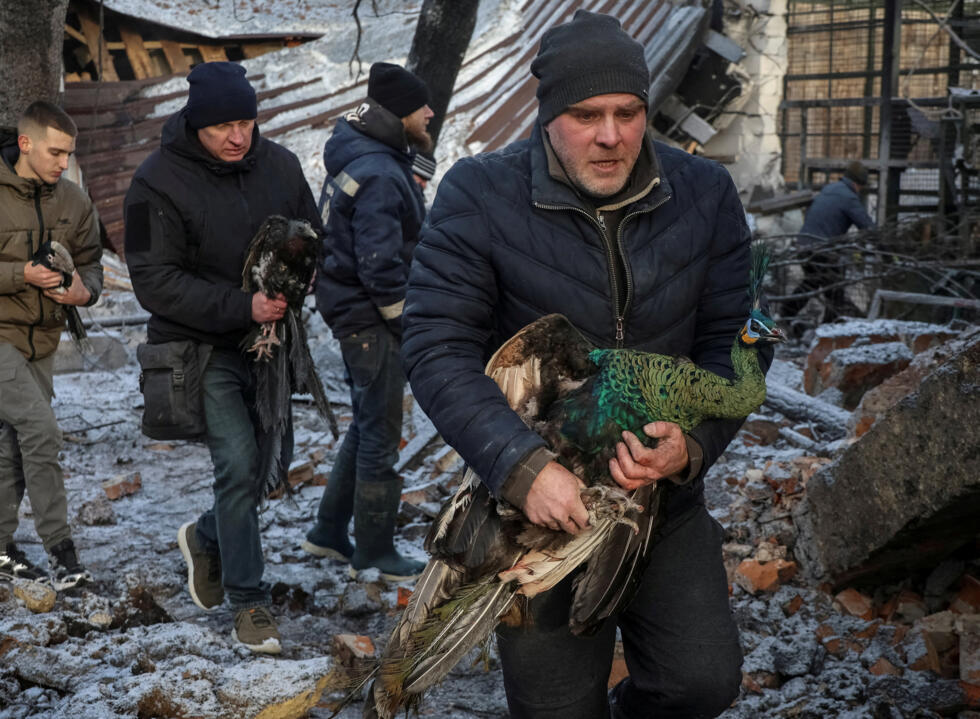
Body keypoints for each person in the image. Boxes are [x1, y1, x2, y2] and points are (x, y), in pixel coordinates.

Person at [401, 11, 773, 718]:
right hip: (540, 510)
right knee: (556, 709)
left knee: (701, 682)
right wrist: (520, 466)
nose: (612, 135)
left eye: (628, 112)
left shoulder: (704, 195)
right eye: (586, 114)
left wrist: (691, 448)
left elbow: (739, 342)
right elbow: (434, 344)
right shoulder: (480, 196)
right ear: (547, 116)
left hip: (659, 495)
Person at [123, 62, 322, 654]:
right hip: (200, 346)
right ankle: (249, 603)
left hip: (271, 350)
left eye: (247, 122)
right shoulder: (155, 182)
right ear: (195, 123)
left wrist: (303, 270)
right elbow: (152, 280)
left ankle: (208, 536)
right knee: (237, 464)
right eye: (223, 126)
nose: (238, 136)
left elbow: (314, 234)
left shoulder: (280, 165)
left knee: (266, 468)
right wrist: (243, 306)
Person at [302, 62, 433, 581]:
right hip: (370, 319)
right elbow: (380, 267)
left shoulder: (363, 154)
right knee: (381, 433)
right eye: (422, 106)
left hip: (350, 311)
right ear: (400, 113)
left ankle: (328, 533)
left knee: (364, 425)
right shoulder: (379, 172)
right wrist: (408, 323)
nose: (430, 113)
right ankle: (375, 549)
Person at [0, 101, 102, 590]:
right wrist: (21, 273)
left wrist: (86, 291)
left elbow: (93, 263)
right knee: (41, 430)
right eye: (56, 152)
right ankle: (64, 556)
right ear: (25, 143)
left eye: (69, 154)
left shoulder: (74, 202)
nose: (64, 163)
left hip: (40, 339)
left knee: (13, 445)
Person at [781, 160, 873, 327]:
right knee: (834, 290)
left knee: (812, 283)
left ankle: (785, 315)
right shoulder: (849, 197)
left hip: (805, 245)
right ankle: (828, 328)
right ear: (856, 183)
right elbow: (867, 226)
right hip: (822, 250)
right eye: (861, 186)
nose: (860, 190)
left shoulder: (829, 189)